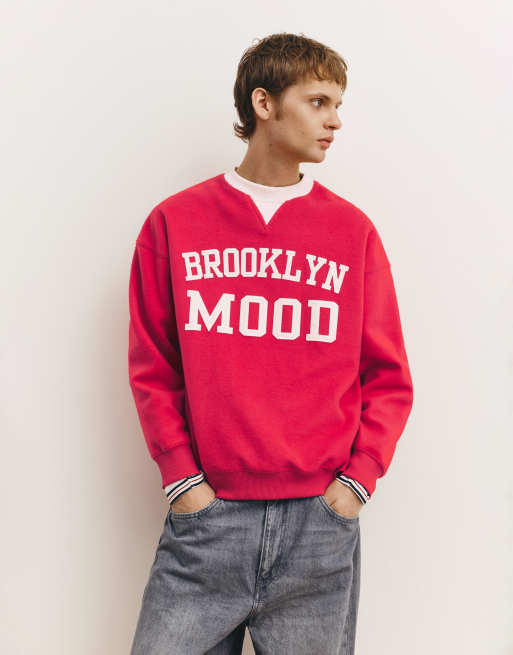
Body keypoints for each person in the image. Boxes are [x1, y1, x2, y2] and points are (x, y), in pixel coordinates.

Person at [128, 32, 413, 655]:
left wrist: (354, 486)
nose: (335, 121)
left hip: (319, 526)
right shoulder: (175, 222)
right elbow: (154, 366)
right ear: (264, 103)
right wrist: (182, 481)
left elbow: (388, 376)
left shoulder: (352, 232)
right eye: (317, 102)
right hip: (208, 522)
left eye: (338, 105)